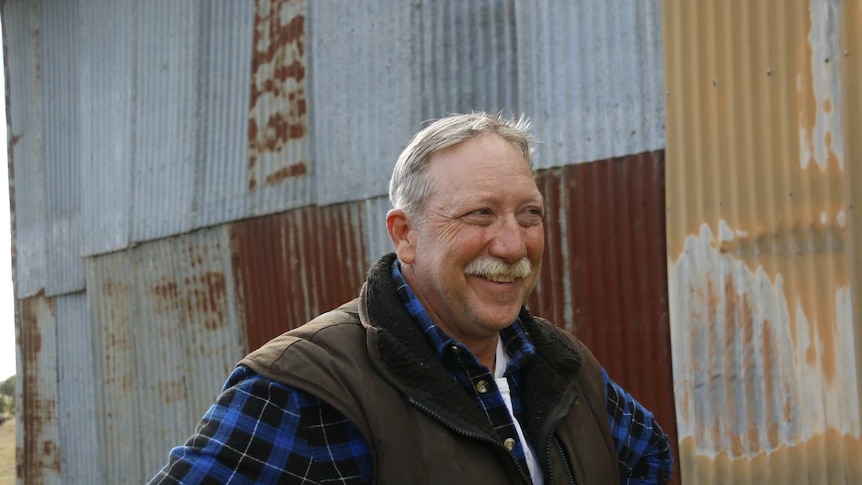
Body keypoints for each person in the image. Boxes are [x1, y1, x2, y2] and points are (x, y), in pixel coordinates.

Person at [150, 112, 673, 484]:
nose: (514, 244)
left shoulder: (564, 367)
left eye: (529, 214)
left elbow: (650, 458)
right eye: (479, 215)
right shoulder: (309, 387)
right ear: (405, 235)